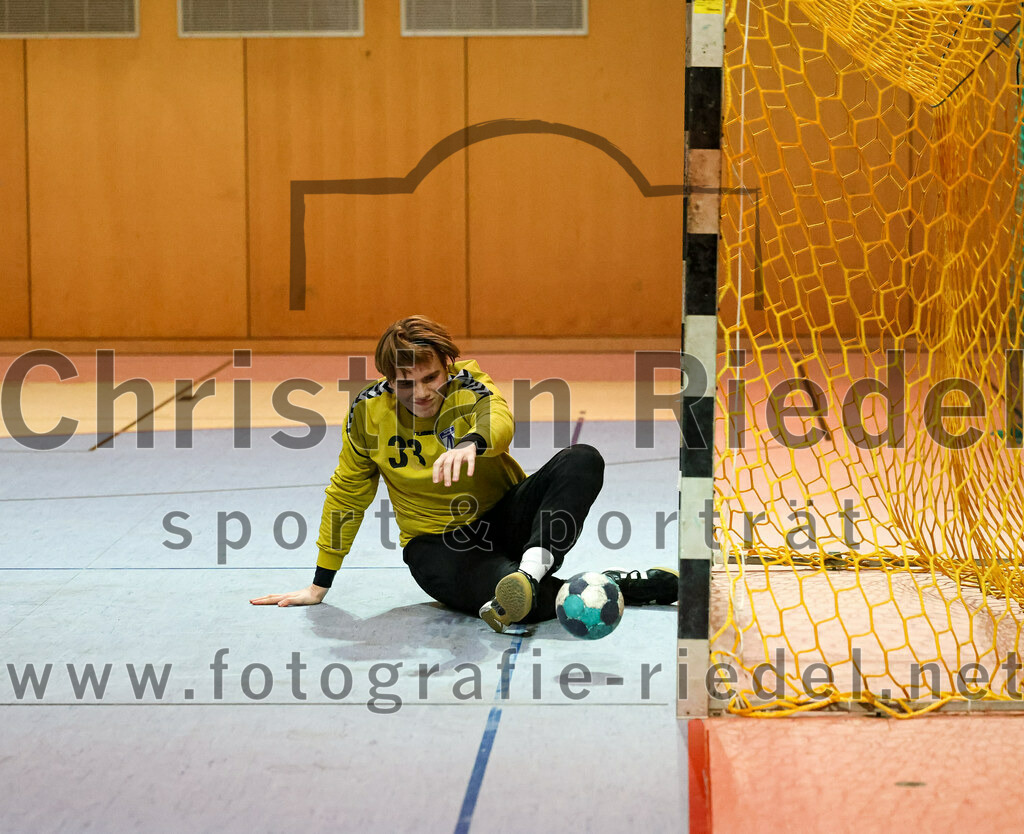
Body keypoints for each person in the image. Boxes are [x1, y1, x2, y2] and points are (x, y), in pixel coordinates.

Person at [250, 315, 676, 631]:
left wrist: (472, 442)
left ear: (449, 364)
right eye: (404, 383)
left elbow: (499, 418)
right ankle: (609, 586)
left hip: (504, 517)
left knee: (581, 459)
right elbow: (347, 493)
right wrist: (320, 581)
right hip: (438, 547)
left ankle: (531, 569)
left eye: (430, 377)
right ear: (386, 378)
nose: (420, 393)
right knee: (513, 601)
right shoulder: (367, 413)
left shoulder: (469, 383)